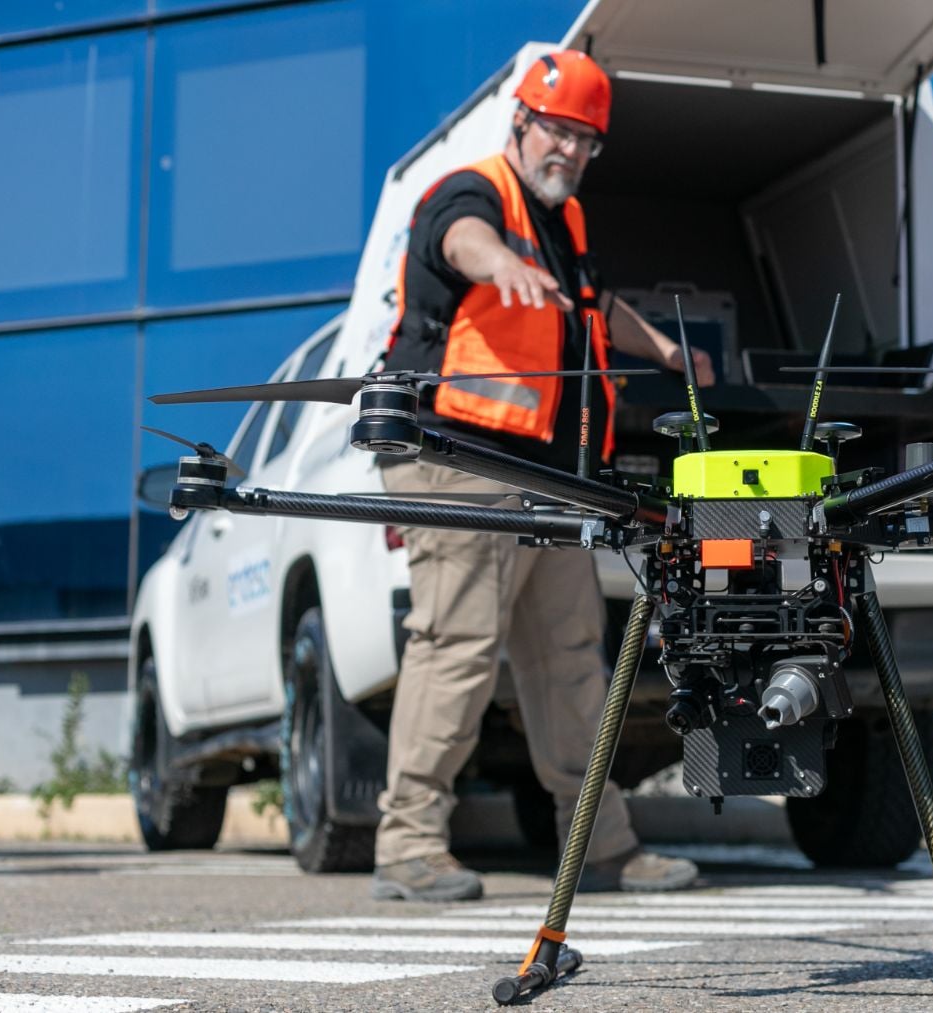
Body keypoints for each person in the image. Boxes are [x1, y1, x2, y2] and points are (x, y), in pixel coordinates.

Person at [371, 50, 714, 902]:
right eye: (556, 130)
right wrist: (501, 265)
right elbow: (462, 241)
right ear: (522, 123)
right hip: (462, 460)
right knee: (455, 647)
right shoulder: (474, 191)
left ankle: (600, 845)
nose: (568, 149)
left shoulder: (569, 227)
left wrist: (668, 351)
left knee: (570, 661)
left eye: (585, 139)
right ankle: (408, 844)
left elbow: (598, 307)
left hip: (553, 478)